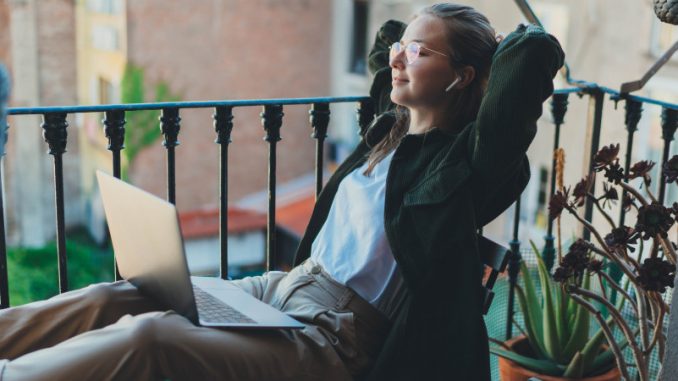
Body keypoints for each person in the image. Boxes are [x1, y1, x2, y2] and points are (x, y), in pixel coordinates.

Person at [0, 3, 564, 380]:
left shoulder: (467, 166)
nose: (398, 57)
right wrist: (411, 42)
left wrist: (503, 42)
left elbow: (530, 59)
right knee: (117, 297)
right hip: (284, 289)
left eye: (421, 52)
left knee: (153, 338)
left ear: (465, 76)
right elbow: (385, 46)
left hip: (337, 338)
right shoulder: (387, 132)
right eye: (406, 47)